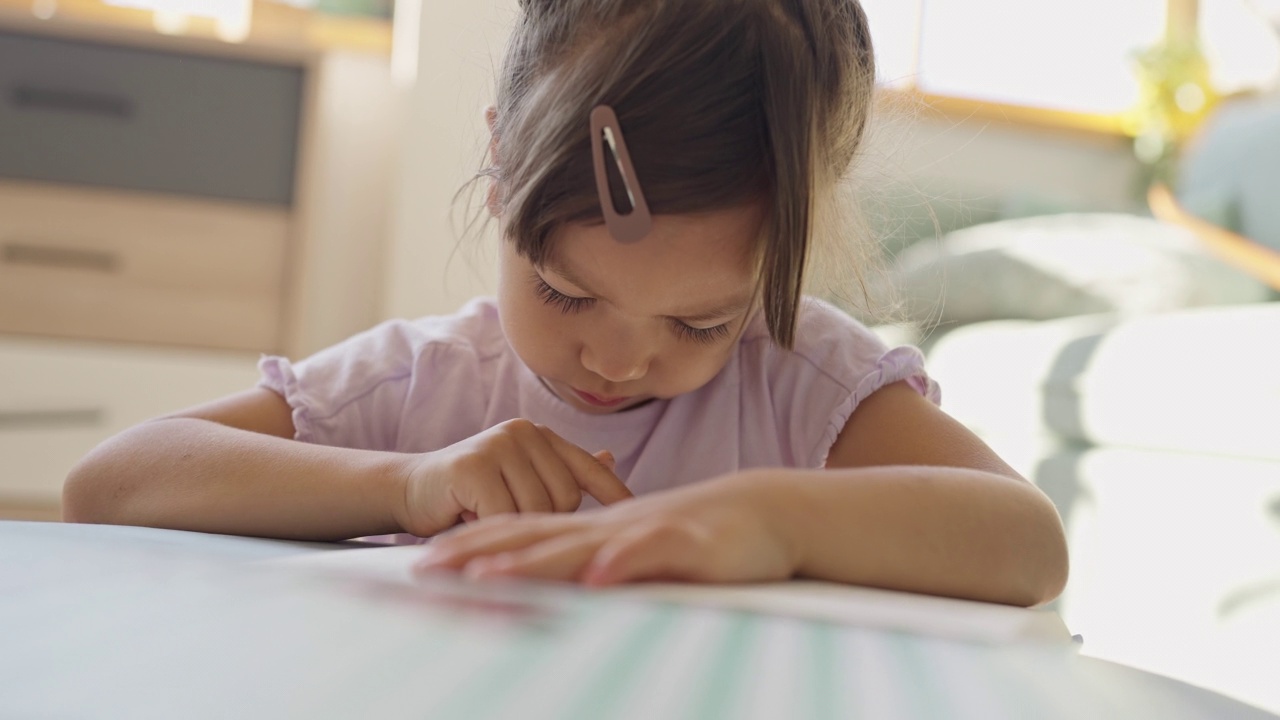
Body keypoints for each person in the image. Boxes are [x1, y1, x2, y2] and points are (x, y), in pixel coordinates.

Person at [63, 0, 1068, 607]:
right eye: (565, 291)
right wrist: (407, 484)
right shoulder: (430, 389)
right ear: (497, 171)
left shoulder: (803, 388)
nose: (619, 361)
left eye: (699, 322)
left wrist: (774, 519)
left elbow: (1026, 542)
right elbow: (110, 484)